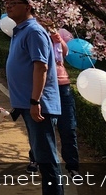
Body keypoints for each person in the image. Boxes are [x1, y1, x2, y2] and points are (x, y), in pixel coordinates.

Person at [5, 0, 64, 195]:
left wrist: (34, 101)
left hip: (38, 106)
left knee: (47, 160)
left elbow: (41, 67)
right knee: (41, 157)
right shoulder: (20, 30)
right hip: (27, 105)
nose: (9, 7)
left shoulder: (34, 31)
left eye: (13, 3)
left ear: (29, 7)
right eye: (6, 4)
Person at [26, 24, 79, 176]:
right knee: (40, 127)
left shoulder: (60, 32)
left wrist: (59, 40)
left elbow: (64, 54)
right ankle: (35, 159)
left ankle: (72, 165)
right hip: (44, 86)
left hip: (63, 85)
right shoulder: (33, 32)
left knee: (68, 127)